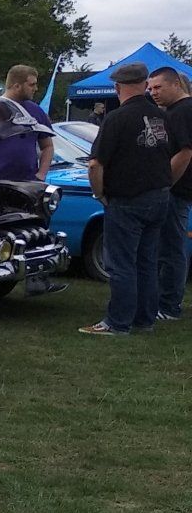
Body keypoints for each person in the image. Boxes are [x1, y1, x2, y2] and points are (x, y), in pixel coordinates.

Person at [81, 62, 175, 335]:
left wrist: (99, 193)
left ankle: (117, 322)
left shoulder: (116, 118)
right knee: (146, 262)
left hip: (127, 199)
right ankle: (144, 319)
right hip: (159, 195)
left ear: (117, 87)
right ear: (145, 85)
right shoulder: (160, 116)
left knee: (121, 263)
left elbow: (95, 164)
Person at [144, 67, 192, 320]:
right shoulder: (176, 111)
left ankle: (169, 305)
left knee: (171, 248)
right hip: (178, 188)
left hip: (176, 189)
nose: (153, 93)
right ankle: (166, 301)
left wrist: (166, 184)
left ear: (176, 85)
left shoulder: (181, 112)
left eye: (158, 87)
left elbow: (185, 152)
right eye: (150, 88)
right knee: (168, 246)